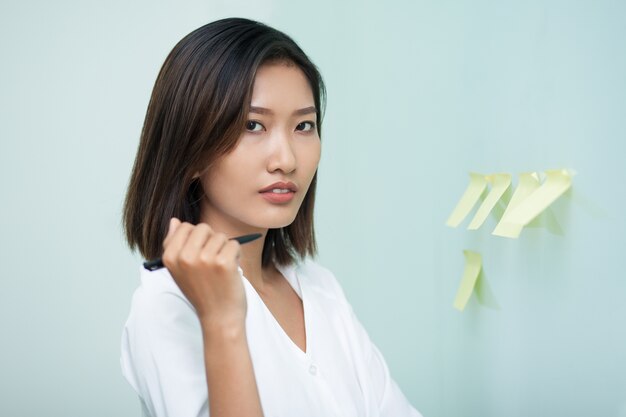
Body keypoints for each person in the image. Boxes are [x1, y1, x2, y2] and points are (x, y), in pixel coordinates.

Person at [120, 17, 423, 417]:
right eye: (253, 125)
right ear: (190, 148)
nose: (287, 160)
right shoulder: (166, 307)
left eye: (303, 125)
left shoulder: (320, 289)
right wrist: (223, 323)